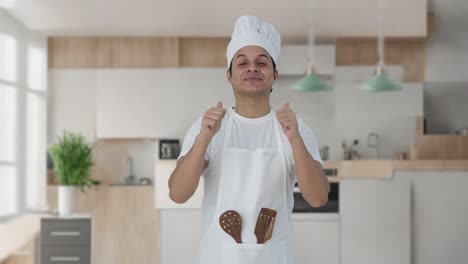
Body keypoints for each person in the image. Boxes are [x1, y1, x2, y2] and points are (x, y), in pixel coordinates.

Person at [168, 15, 330, 264]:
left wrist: (295, 140)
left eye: (262, 63)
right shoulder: (208, 128)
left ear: (275, 74)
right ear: (229, 75)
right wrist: (203, 139)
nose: (252, 68)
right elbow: (178, 193)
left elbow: (318, 197)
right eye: (242, 62)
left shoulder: (295, 129)